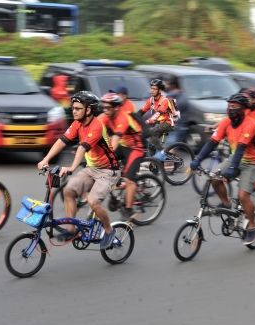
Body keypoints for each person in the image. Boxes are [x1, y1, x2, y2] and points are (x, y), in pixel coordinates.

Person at [38, 91, 121, 249]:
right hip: (92, 168)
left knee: (93, 201)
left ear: (88, 110)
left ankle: (109, 231)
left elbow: (83, 148)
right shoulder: (77, 123)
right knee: (68, 191)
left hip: (109, 171)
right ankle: (71, 230)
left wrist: (72, 167)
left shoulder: (96, 125)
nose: (73, 111)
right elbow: (62, 141)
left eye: (77, 108)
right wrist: (45, 159)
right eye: (73, 108)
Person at [190, 93, 255, 245]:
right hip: (235, 158)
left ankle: (252, 227)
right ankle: (226, 204)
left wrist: (233, 168)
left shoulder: (249, 124)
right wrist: (197, 158)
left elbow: (240, 148)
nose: (230, 109)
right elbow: (212, 142)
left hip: (253, 162)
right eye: (229, 106)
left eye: (234, 107)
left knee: (243, 196)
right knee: (214, 178)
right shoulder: (226, 122)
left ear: (243, 109)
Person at [100, 93, 145, 221]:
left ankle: (128, 210)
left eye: (108, 108)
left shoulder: (123, 118)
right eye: (103, 108)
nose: (105, 111)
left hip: (135, 149)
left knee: (129, 179)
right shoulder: (107, 116)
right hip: (123, 145)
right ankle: (117, 188)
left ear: (116, 108)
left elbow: (115, 139)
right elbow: (93, 128)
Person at [135, 79, 174, 160]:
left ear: (160, 90)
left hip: (169, 122)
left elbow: (158, 114)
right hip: (161, 122)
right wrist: (133, 118)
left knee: (151, 132)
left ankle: (161, 154)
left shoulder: (165, 100)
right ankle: (155, 162)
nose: (152, 91)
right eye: (151, 88)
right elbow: (142, 111)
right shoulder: (151, 100)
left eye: (155, 89)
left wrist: (147, 121)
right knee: (150, 142)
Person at [163, 76, 189, 146]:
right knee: (175, 148)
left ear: (173, 85)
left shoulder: (171, 96)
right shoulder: (184, 96)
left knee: (168, 149)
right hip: (182, 126)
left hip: (173, 127)